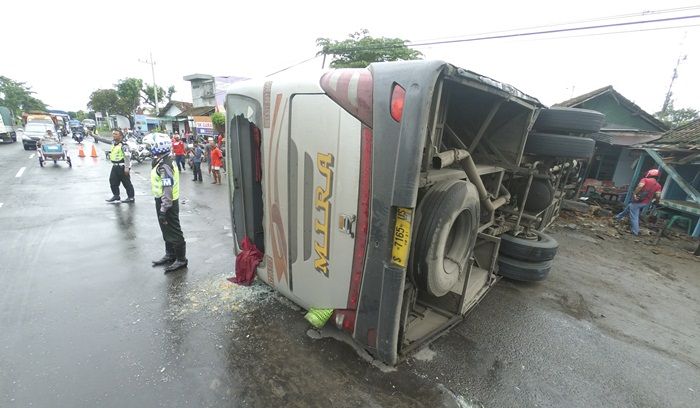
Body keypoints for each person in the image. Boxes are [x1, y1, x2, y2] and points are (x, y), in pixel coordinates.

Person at [150, 135, 188, 273]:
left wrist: (163, 209)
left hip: (168, 202)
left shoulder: (165, 165)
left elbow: (168, 188)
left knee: (173, 230)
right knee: (165, 229)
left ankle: (181, 259)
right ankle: (170, 255)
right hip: (162, 200)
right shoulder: (161, 161)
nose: (149, 148)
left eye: (151, 146)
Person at [615, 169, 663, 236]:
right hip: (644, 203)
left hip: (637, 201)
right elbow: (658, 195)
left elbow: (640, 186)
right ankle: (617, 218)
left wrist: (634, 194)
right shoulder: (658, 185)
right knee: (629, 206)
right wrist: (656, 201)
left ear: (649, 174)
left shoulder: (645, 180)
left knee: (634, 216)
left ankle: (635, 231)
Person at [105, 129, 135, 204]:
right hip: (115, 166)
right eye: (113, 134)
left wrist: (127, 167)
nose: (114, 135)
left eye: (116, 134)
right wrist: (93, 135)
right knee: (112, 181)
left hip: (122, 166)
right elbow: (104, 140)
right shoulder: (113, 143)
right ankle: (116, 195)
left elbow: (127, 156)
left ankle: (131, 197)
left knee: (126, 183)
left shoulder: (124, 145)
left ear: (120, 136)